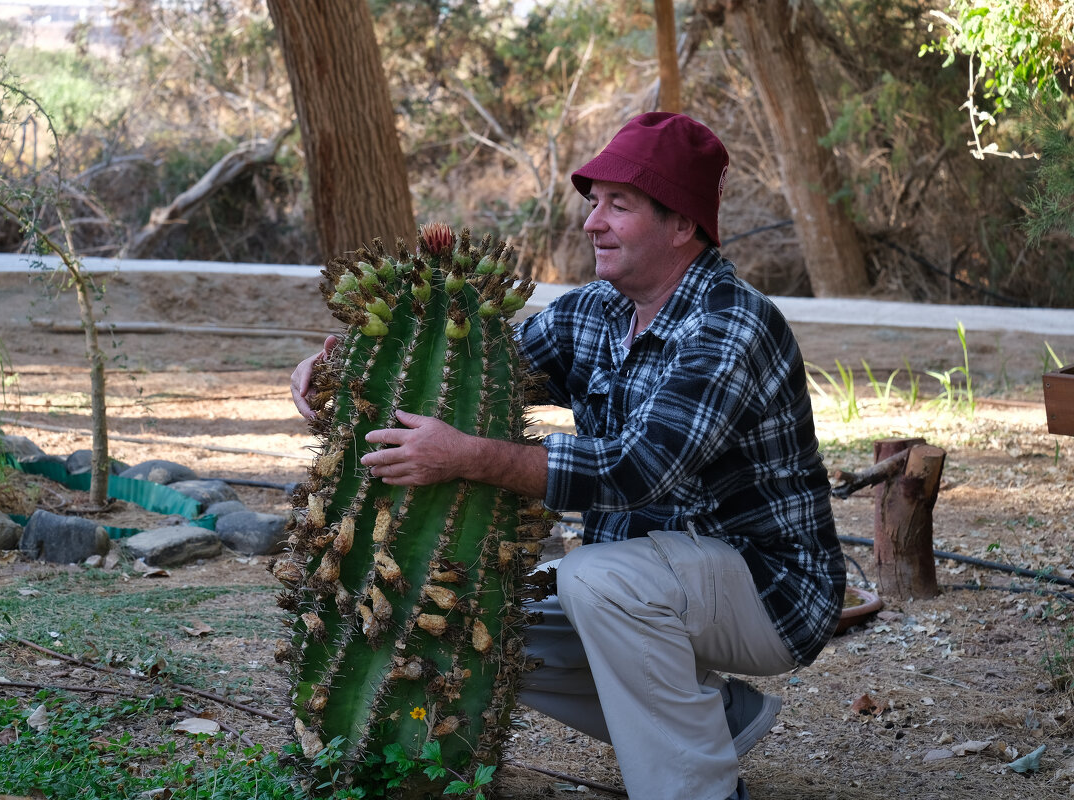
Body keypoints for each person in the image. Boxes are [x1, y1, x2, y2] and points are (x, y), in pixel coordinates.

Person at [291, 112, 845, 800]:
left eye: (620, 204)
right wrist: (347, 375)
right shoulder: (596, 312)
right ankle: (720, 720)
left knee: (598, 580)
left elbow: (635, 470)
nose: (592, 223)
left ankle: (695, 790)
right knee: (482, 619)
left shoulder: (730, 325)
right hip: (661, 580)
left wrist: (466, 456)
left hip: (768, 592)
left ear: (682, 225)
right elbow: (468, 377)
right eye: (593, 203)